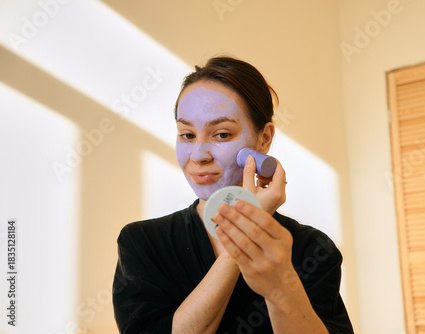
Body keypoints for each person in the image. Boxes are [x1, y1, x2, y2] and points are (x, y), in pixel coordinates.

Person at [112, 56, 353, 333]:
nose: (198, 155)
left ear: (264, 139)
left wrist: (281, 285)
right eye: (187, 135)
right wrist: (242, 238)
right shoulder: (142, 243)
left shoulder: (312, 249)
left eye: (222, 134)